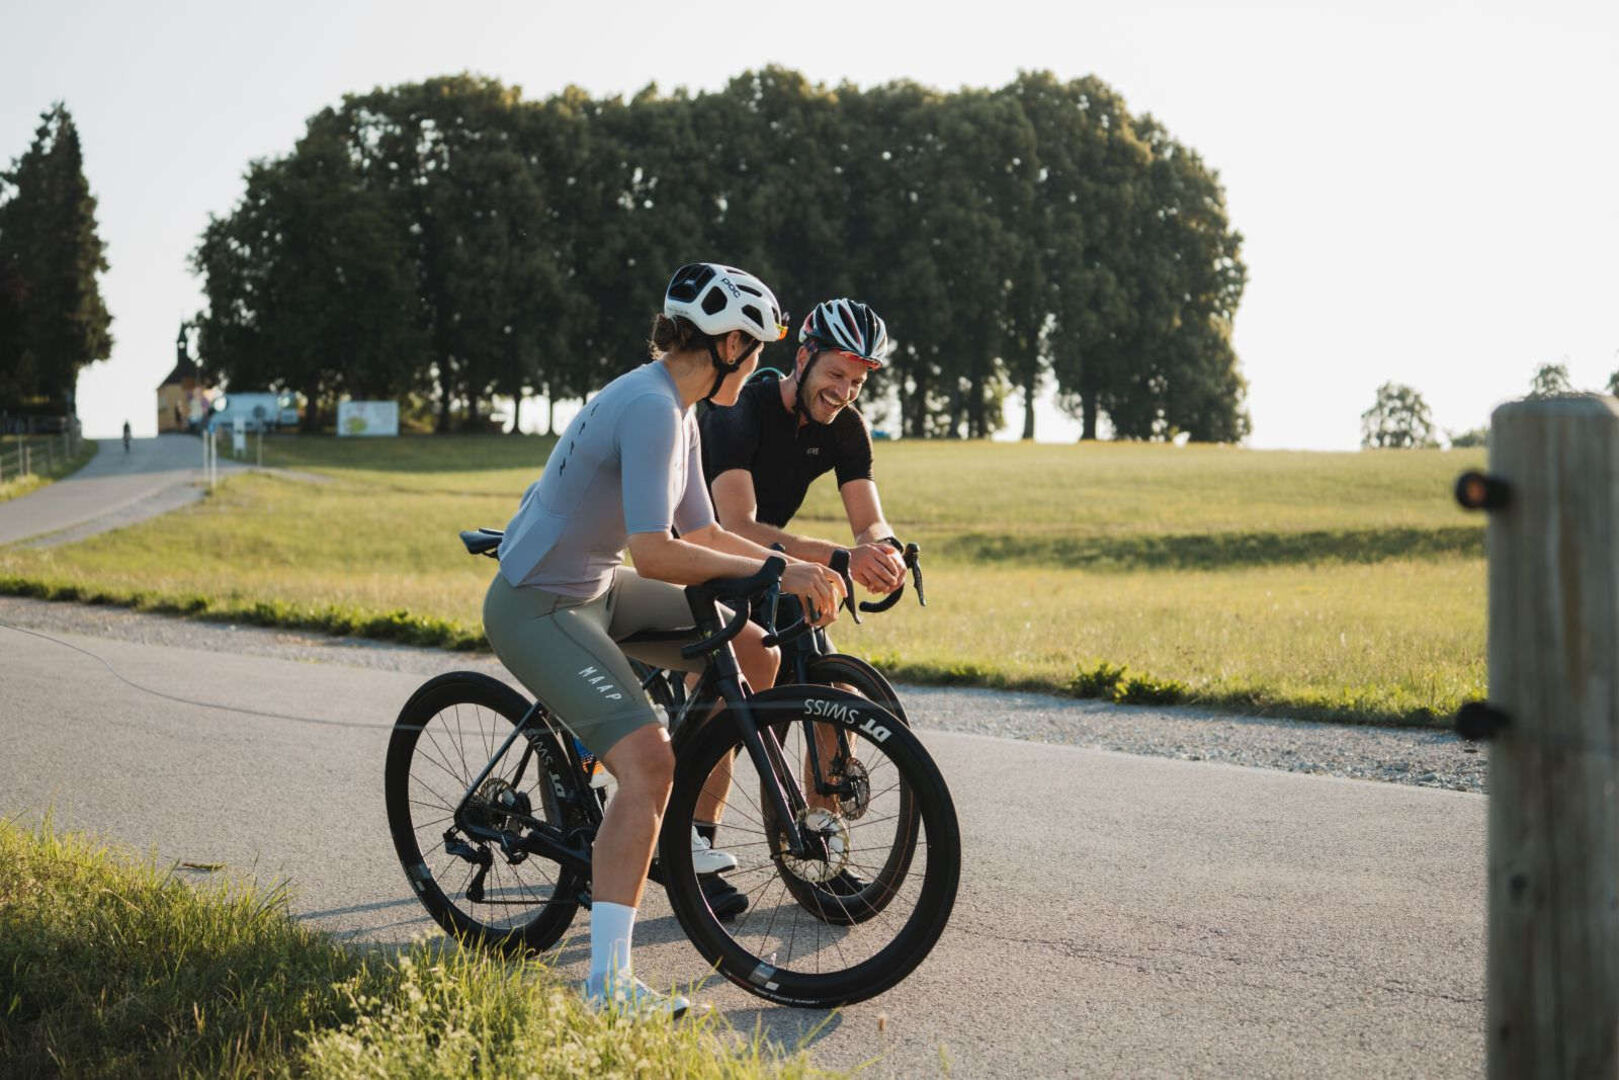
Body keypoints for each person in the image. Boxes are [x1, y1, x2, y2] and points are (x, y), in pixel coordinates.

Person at [481, 262, 846, 1020]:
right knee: (649, 763)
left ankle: (680, 824)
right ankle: (607, 987)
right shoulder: (652, 407)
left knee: (754, 650)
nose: (754, 372)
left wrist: (789, 569)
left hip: (596, 587)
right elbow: (656, 551)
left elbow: (705, 533)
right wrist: (782, 567)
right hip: (539, 603)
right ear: (730, 342)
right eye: (754, 353)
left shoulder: (677, 409)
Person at [697, 297, 908, 902]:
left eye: (858, 381)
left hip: (776, 569)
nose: (844, 391)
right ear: (804, 357)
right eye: (836, 375)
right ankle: (699, 845)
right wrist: (840, 557)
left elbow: (869, 520)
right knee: (733, 703)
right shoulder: (743, 408)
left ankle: (821, 849)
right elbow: (737, 524)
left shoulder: (846, 426)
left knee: (830, 696)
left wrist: (885, 550)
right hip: (705, 556)